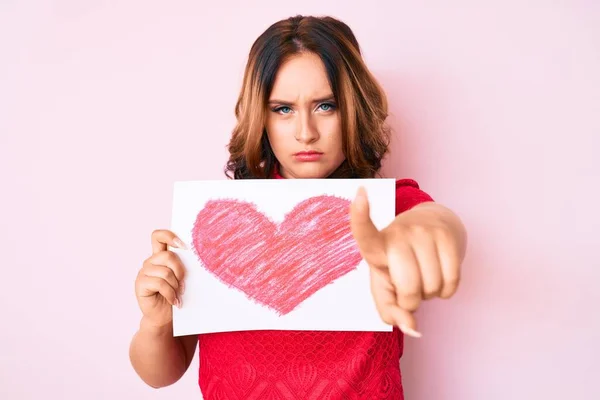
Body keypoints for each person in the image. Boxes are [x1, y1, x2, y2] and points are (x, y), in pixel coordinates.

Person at [129, 14, 467, 399]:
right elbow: (160, 375)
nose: (306, 132)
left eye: (325, 106)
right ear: (262, 117)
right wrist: (155, 323)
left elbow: (438, 221)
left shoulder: (385, 208)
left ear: (353, 108)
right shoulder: (217, 227)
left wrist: (427, 226)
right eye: (283, 109)